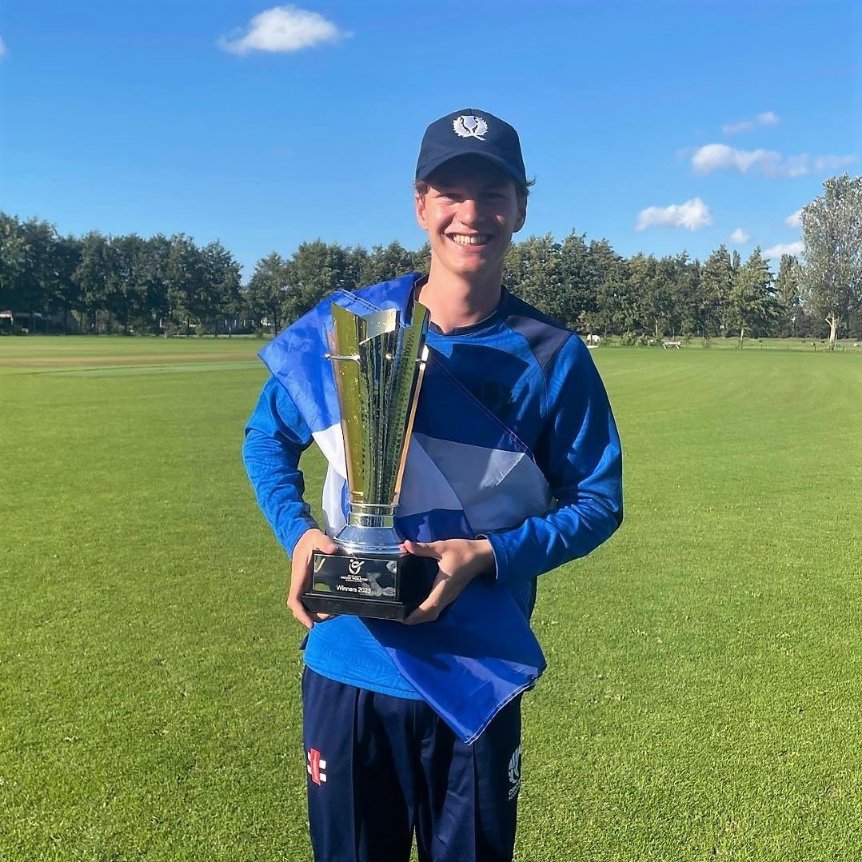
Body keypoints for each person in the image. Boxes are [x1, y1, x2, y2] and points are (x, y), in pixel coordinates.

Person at [243, 108, 623, 862]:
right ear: (421, 205)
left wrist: (487, 553)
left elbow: (599, 502)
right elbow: (266, 439)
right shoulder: (352, 327)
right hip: (348, 661)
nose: (471, 213)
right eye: (451, 192)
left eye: (493, 191)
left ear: (520, 207)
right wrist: (304, 538)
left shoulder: (554, 356)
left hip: (474, 679)